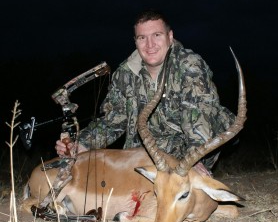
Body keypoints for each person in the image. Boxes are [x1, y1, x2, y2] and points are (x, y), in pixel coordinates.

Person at [55, 9, 235, 174]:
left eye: (157, 35)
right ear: (135, 41)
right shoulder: (125, 74)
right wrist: (82, 144)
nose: (150, 45)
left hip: (193, 141)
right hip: (154, 147)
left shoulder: (189, 64)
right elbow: (112, 121)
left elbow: (198, 113)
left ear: (170, 36)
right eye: (142, 38)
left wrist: (194, 159)